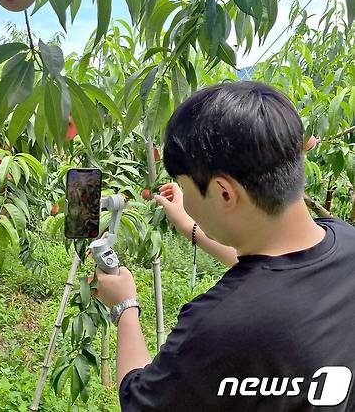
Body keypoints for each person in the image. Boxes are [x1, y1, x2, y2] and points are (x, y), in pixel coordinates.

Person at [95, 81, 355, 411]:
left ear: (224, 193)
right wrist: (192, 228)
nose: (186, 200)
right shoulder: (345, 240)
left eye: (186, 189)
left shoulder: (219, 326)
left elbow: (139, 399)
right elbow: (278, 271)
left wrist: (125, 307)